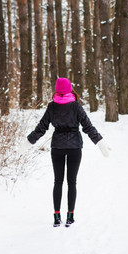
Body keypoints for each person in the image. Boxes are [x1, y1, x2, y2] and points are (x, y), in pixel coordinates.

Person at [20, 77, 109, 227]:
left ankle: (56, 217)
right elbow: (88, 126)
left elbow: (41, 128)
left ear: (56, 90)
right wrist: (99, 142)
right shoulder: (76, 106)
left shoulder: (52, 106)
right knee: (71, 182)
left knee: (58, 182)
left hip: (57, 148)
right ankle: (70, 216)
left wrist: (29, 141)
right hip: (74, 147)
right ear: (69, 89)